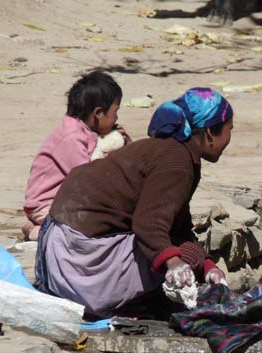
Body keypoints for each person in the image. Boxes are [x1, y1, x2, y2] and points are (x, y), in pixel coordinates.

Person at [35, 87, 232, 319]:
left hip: (58, 247)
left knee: (187, 254)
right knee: (186, 256)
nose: (230, 138)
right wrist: (176, 263)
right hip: (77, 264)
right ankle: (123, 305)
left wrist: (209, 266)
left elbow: (176, 225)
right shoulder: (177, 163)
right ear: (210, 133)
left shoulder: (172, 152)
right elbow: (149, 224)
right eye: (229, 130)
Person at [22, 70, 130, 241]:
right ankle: (41, 231)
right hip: (46, 204)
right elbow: (86, 178)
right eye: (115, 112)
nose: (117, 118)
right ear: (98, 113)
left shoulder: (87, 131)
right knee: (95, 228)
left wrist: (124, 142)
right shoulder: (70, 137)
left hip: (66, 199)